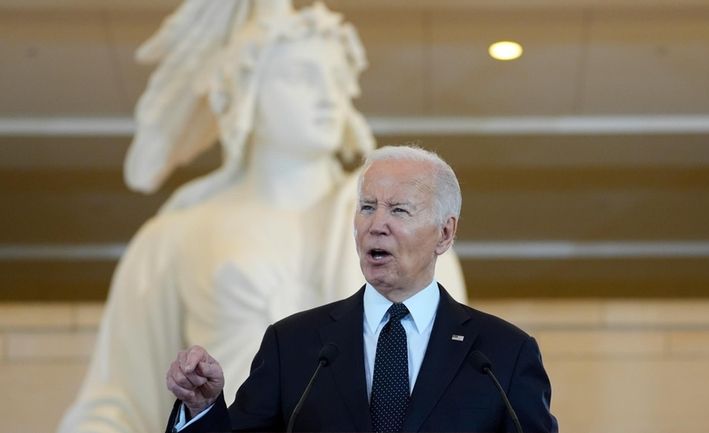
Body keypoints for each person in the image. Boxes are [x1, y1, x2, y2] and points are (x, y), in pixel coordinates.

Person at [58, 3, 466, 433]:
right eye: (302, 76)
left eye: (337, 78)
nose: (329, 95)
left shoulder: (408, 231)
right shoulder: (176, 236)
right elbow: (118, 401)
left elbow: (448, 379)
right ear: (246, 88)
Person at [165, 146, 558, 433]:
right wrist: (202, 409)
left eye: (399, 210)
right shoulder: (294, 344)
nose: (376, 224)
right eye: (367, 207)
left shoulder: (502, 355)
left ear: (445, 232)